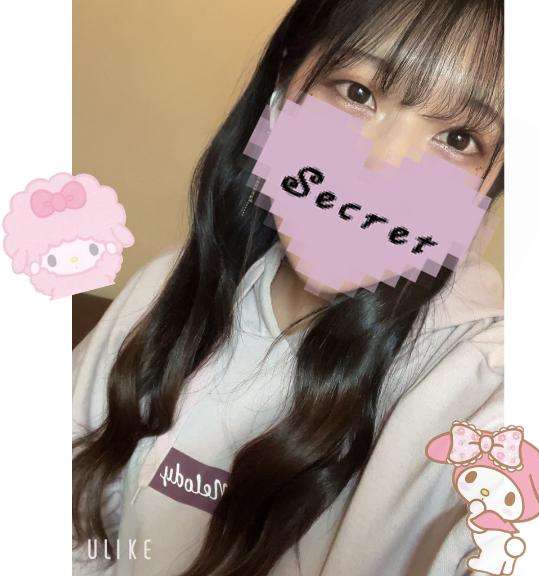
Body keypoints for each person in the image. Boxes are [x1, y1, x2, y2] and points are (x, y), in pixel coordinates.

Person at [73, 1, 504, 574]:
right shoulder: (169, 286)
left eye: (458, 138)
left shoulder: (485, 389)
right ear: (281, 92)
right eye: (357, 93)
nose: (384, 164)